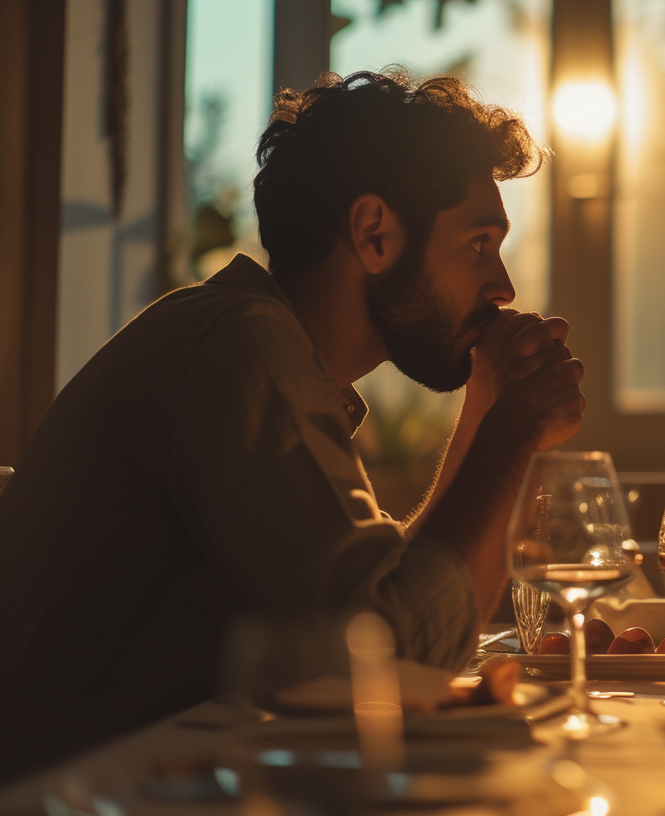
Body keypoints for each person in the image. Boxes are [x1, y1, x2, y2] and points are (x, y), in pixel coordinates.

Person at [0, 70, 583, 778]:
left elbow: (406, 626)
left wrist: (492, 408)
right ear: (375, 234)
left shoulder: (261, 351)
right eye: (478, 244)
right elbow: (388, 658)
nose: (503, 287)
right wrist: (512, 435)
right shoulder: (236, 345)